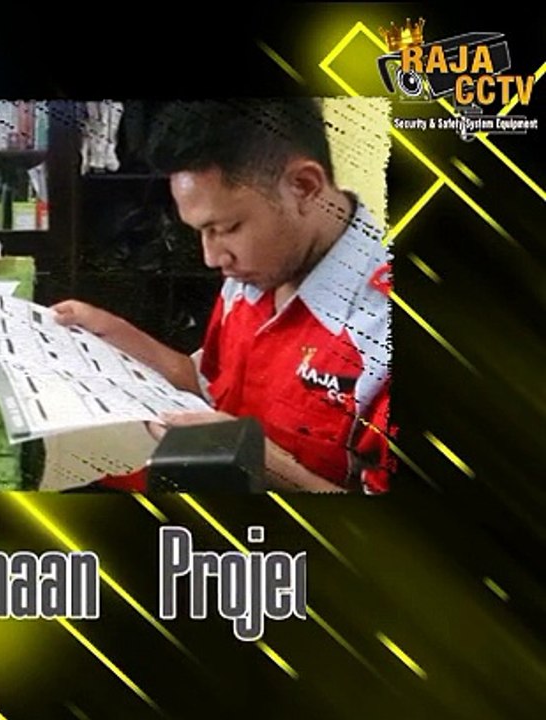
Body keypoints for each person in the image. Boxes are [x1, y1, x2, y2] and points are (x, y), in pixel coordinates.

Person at [52, 98, 392, 493]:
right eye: (201, 231)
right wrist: (107, 329)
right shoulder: (257, 269)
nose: (212, 258)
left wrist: (257, 458)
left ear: (304, 187)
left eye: (227, 228)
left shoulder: (382, 333)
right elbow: (205, 384)